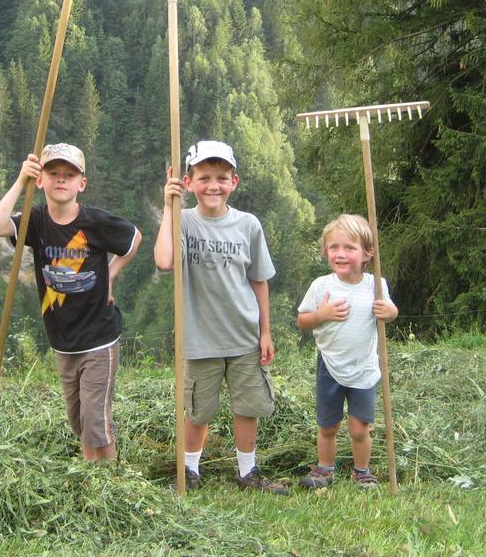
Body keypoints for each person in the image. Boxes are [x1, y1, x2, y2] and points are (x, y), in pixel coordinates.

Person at [0, 143, 141, 462]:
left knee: (95, 423)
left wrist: (111, 275)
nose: (61, 180)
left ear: (80, 184)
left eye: (68, 175)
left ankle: (107, 484)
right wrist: (20, 182)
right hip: (63, 341)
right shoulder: (37, 220)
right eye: (53, 173)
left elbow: (133, 239)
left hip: (99, 338)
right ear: (40, 180)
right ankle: (95, 472)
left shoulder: (94, 222)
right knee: (78, 420)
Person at [154, 140, 288, 494]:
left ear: (234, 182)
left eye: (221, 177)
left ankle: (248, 472)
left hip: (244, 335)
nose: (213, 185)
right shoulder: (182, 222)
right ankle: (189, 471)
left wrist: (265, 332)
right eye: (204, 177)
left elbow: (258, 281)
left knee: (248, 407)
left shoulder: (248, 225)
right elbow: (165, 261)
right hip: (199, 337)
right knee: (197, 410)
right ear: (188, 182)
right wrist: (170, 207)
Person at [296, 214, 398, 489]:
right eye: (334, 248)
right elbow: (303, 320)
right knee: (328, 426)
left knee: (359, 428)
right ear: (325, 251)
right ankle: (324, 471)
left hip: (363, 367)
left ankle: (362, 472)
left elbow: (390, 311)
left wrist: (389, 311)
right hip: (330, 365)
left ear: (368, 253)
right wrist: (323, 314)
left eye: (349, 248)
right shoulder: (321, 286)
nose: (340, 254)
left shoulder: (375, 284)